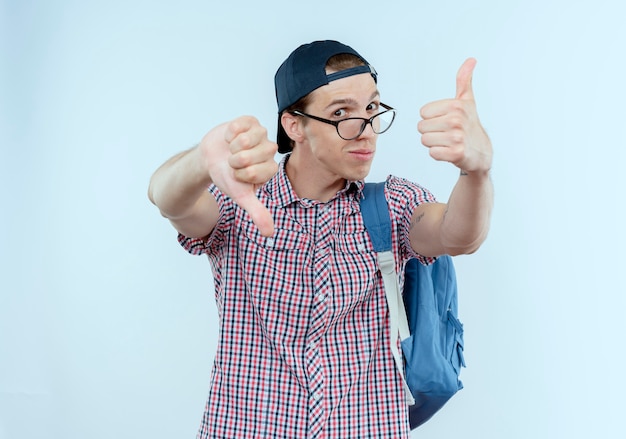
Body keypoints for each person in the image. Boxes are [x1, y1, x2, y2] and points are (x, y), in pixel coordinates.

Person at [148, 40, 493, 439]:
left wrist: (477, 171)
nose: (366, 130)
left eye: (371, 109)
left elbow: (459, 235)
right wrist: (201, 162)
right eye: (341, 113)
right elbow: (168, 201)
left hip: (367, 426)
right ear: (294, 125)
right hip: (247, 426)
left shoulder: (392, 203)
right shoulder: (241, 201)